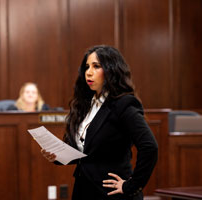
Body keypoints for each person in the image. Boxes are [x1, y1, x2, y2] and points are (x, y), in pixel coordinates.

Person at [41, 45, 158, 200]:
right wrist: (58, 156)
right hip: (84, 189)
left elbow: (149, 147)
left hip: (110, 193)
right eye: (87, 67)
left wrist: (132, 185)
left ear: (111, 70)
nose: (89, 72)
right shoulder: (86, 104)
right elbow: (88, 152)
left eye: (96, 66)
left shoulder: (124, 104)